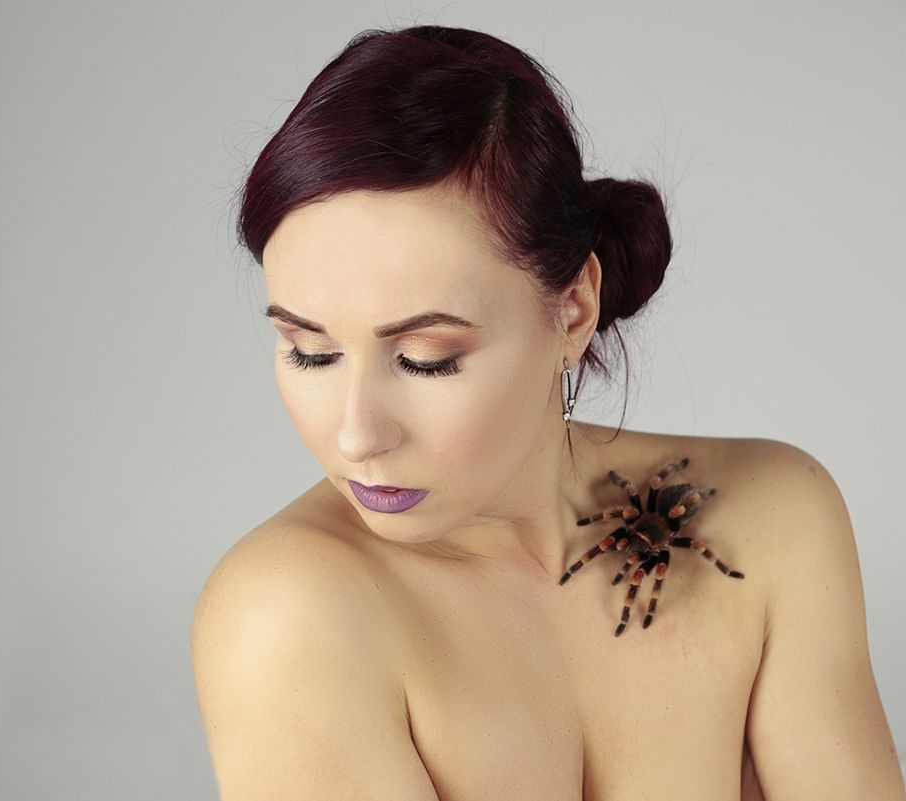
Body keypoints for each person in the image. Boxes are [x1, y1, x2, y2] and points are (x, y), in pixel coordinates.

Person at [190, 24, 904, 801]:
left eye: (426, 357)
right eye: (309, 352)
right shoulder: (289, 615)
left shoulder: (771, 522)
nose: (357, 434)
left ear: (573, 309)